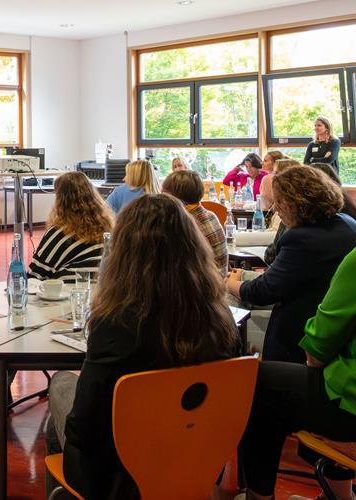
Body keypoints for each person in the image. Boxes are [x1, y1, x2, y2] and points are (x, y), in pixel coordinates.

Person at [47, 194, 240, 499]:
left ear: (123, 251)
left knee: (60, 385)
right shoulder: (220, 317)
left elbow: (83, 425)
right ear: (192, 246)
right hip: (197, 460)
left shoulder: (114, 323)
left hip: (120, 475)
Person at [239, 247, 356, 500]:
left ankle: (258, 495)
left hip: (350, 407)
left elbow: (317, 351)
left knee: (259, 383)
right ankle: (338, 494)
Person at [226, 166, 356, 363]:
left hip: (300, 340)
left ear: (298, 202)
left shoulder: (302, 239)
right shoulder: (347, 223)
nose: (275, 208)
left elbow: (265, 291)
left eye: (279, 202)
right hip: (338, 333)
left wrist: (233, 285)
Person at [28, 171, 113, 282]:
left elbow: (36, 275)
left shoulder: (60, 234)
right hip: (101, 292)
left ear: (60, 200)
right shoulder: (109, 229)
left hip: (67, 293)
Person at [162, 170, 228, 276]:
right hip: (219, 281)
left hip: (208, 287)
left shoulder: (187, 224)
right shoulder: (210, 215)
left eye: (164, 194)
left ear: (175, 197)